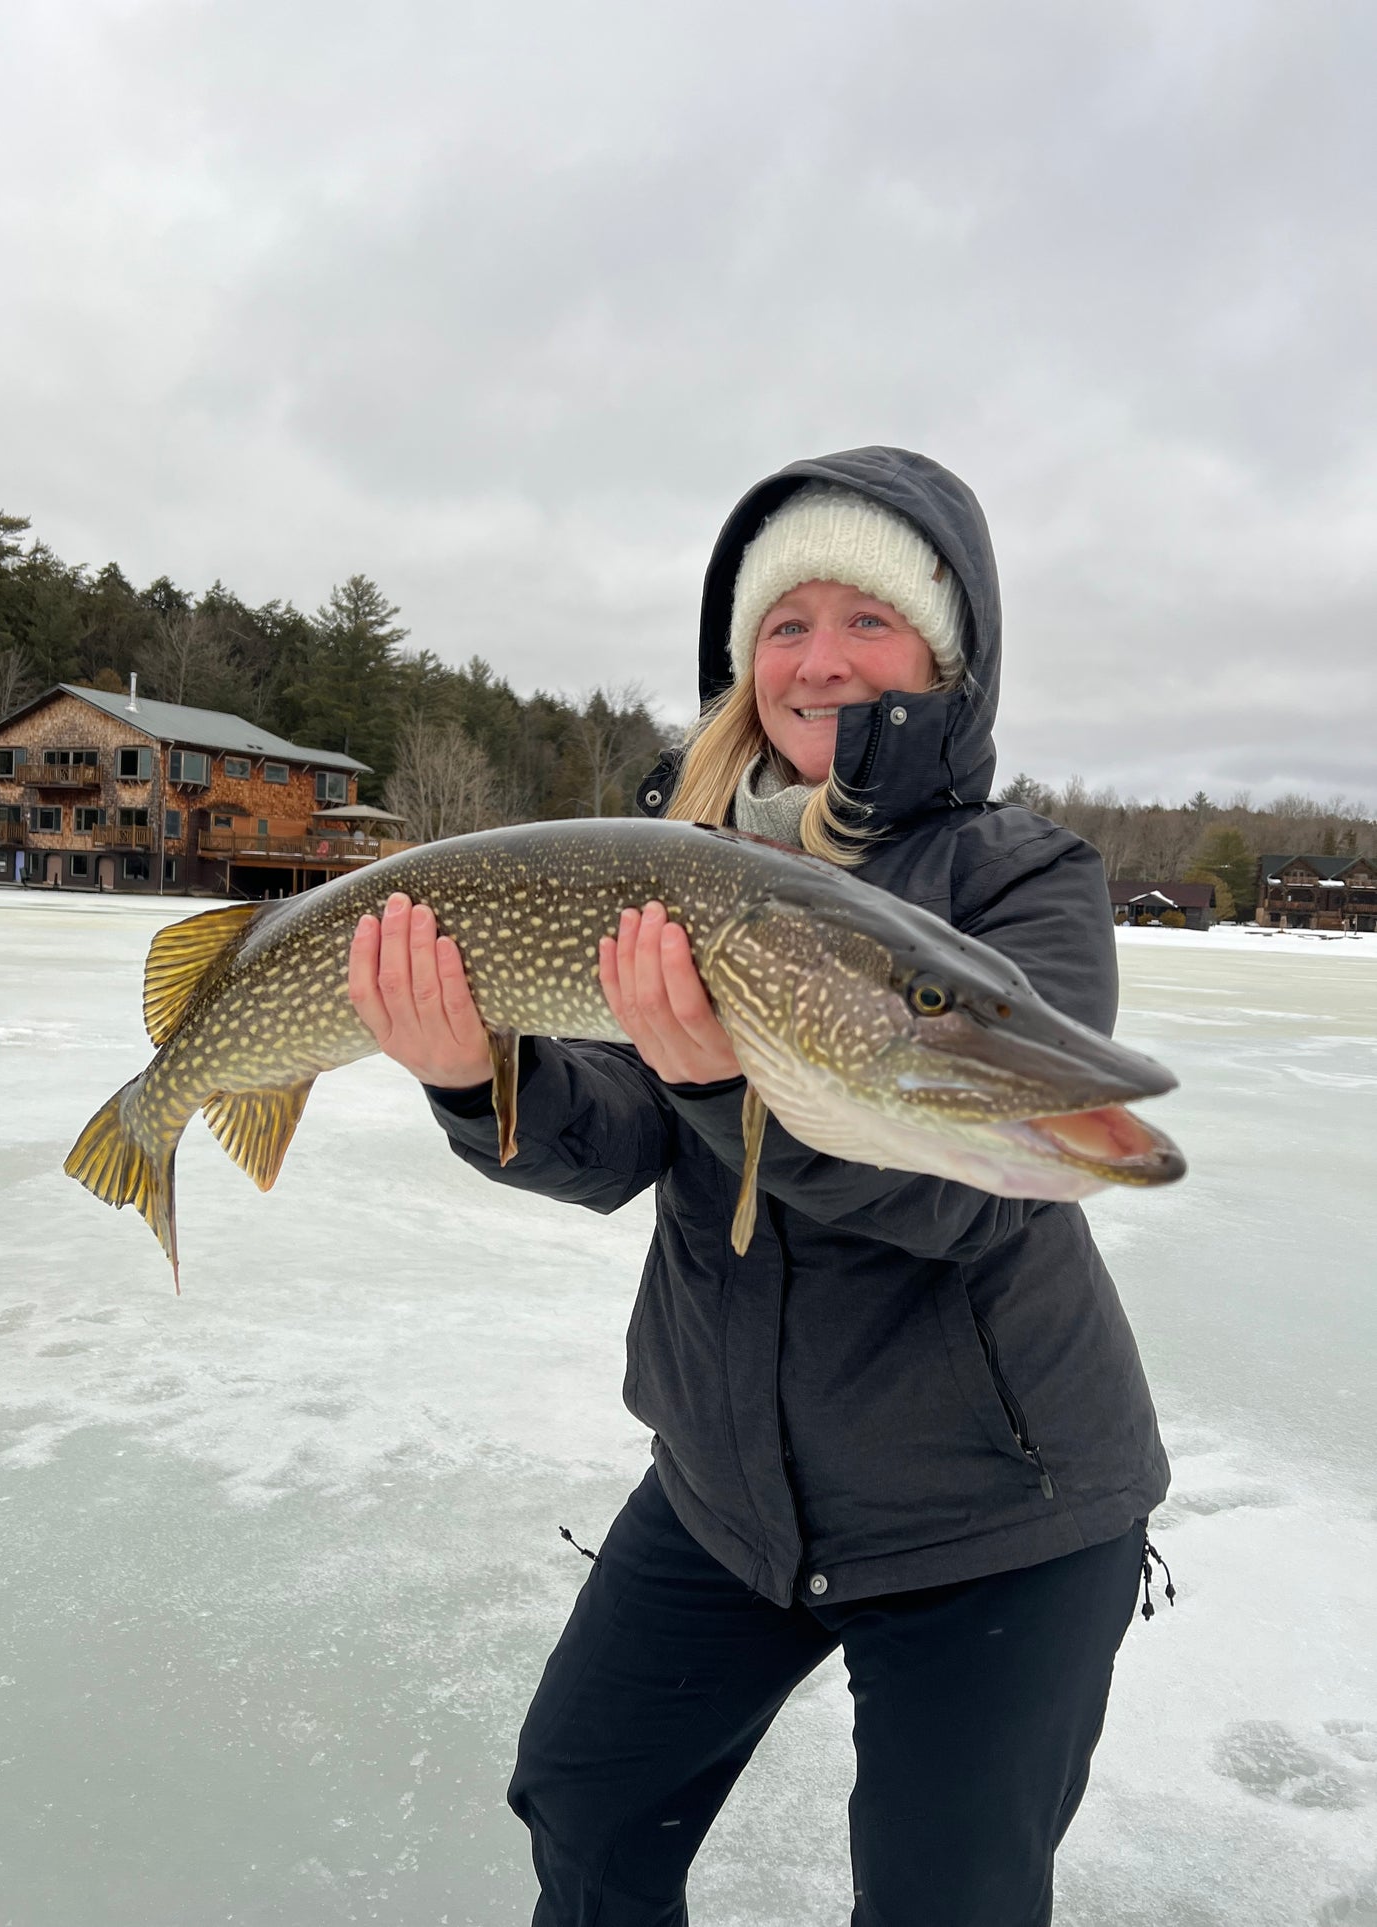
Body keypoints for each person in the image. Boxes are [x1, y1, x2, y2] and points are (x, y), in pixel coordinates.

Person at [346, 447, 1170, 1927]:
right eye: (785, 625)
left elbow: (969, 1200)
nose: (821, 659)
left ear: (946, 657)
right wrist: (475, 1081)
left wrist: (735, 1094)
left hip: (998, 1511)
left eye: (869, 619)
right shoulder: (680, 862)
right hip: (726, 1490)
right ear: (742, 666)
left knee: (944, 1902)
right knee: (586, 1802)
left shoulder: (1016, 876)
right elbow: (613, 1152)